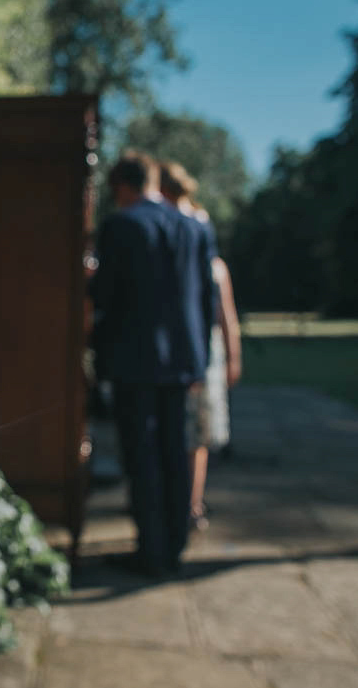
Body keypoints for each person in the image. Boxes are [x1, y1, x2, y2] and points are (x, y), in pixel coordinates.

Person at [90, 151, 215, 576]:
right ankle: (175, 543)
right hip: (182, 359)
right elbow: (204, 297)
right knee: (175, 452)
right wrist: (202, 361)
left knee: (141, 455)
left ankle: (151, 551)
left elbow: (106, 295)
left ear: (122, 187)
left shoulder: (121, 224)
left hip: (135, 358)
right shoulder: (192, 226)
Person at [159, 162, 242, 531]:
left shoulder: (187, 236)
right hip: (196, 346)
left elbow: (225, 314)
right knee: (194, 434)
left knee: (196, 432)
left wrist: (232, 357)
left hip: (197, 347)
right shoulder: (191, 234)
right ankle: (189, 503)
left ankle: (191, 503)